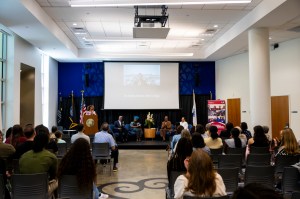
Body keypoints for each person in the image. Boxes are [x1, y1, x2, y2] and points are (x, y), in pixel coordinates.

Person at [19, 130, 58, 195]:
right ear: (47, 143)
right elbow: (53, 176)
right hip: (41, 190)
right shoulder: (51, 157)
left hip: (24, 190)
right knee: (57, 181)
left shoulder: (23, 156)